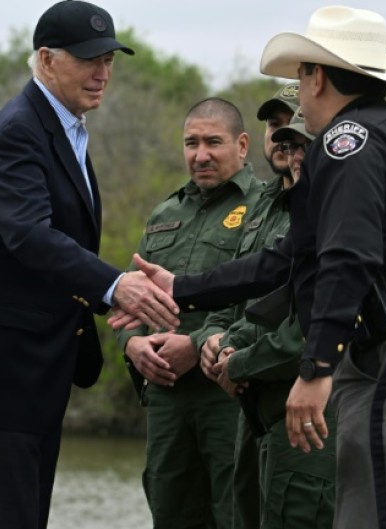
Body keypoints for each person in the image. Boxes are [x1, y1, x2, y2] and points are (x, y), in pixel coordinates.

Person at [114, 6, 386, 528]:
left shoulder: (346, 139)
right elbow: (289, 259)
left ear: (315, 76)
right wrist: (184, 287)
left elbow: (346, 258)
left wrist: (317, 368)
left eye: (298, 76)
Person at [0, 2, 178, 528]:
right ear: (45, 59)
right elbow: (30, 236)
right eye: (87, 60)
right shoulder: (18, 131)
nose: (102, 72)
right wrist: (113, 286)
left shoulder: (65, 128)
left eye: (108, 59)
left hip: (36, 374)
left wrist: (110, 295)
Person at [116, 97, 265, 529]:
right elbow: (131, 299)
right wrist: (133, 344)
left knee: (236, 512)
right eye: (191, 143)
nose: (200, 155)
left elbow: (268, 302)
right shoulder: (166, 213)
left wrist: (196, 343)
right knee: (170, 511)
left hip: (229, 394)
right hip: (166, 399)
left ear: (241, 145)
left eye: (213, 142)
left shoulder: (265, 209)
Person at [201, 109, 335, 529]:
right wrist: (225, 342)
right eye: (290, 145)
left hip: (312, 416)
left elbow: (308, 329)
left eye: (306, 148)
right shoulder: (284, 212)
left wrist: (238, 361)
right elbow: (269, 301)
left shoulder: (341, 221)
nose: (294, 156)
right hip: (259, 410)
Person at [192, 82, 301, 529]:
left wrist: (239, 358)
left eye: (292, 126)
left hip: (301, 398)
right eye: (274, 127)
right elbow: (235, 290)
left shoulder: (327, 204)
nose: (280, 137)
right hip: (250, 402)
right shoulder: (260, 206)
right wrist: (213, 339)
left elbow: (310, 315)